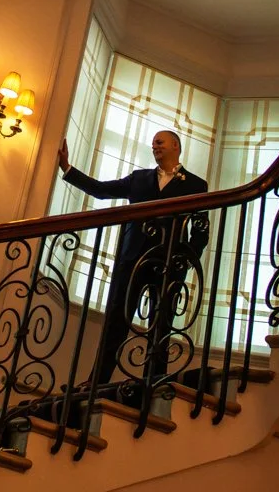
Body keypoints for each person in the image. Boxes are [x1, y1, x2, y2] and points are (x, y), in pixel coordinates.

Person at [56, 130, 209, 387]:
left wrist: (184, 261)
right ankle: (97, 381)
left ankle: (153, 383)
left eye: (159, 141)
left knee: (161, 324)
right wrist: (67, 169)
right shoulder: (139, 178)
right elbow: (101, 190)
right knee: (116, 320)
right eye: (153, 143)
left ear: (175, 145)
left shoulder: (196, 185)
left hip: (169, 266)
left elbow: (201, 230)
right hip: (131, 260)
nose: (154, 146)